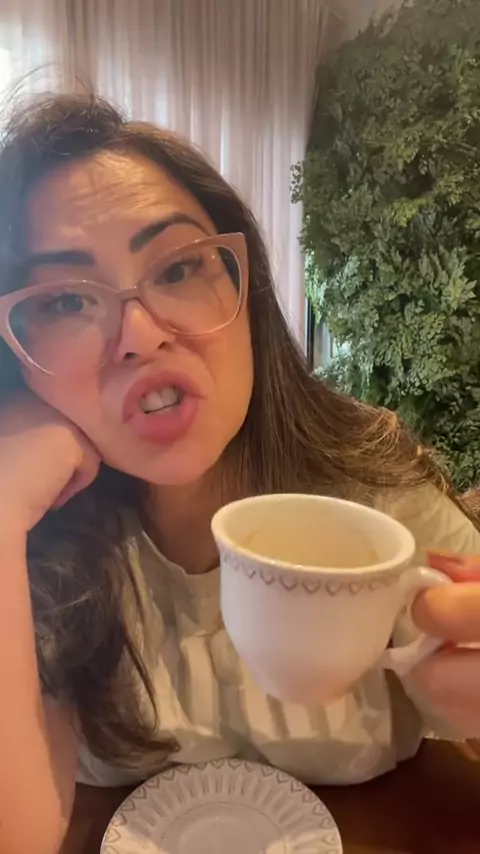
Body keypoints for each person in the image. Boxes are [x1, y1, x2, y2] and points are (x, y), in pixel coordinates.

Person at [0, 92, 479, 854]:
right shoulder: (41, 541)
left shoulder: (377, 496)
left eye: (179, 266)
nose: (139, 335)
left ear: (244, 291)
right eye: (63, 300)